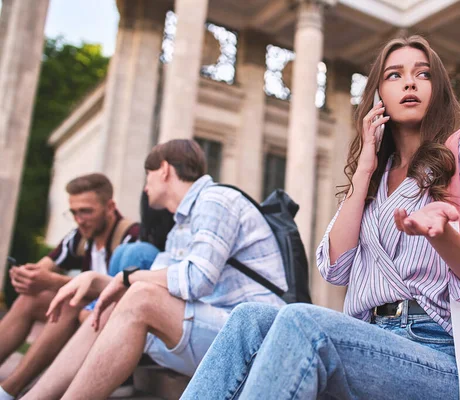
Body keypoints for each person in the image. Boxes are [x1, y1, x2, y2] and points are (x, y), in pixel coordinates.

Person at [179, 35, 460, 400]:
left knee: (302, 322)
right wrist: (365, 166)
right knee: (248, 320)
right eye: (395, 75)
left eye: (423, 74)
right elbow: (335, 268)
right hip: (371, 338)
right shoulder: (376, 178)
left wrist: (442, 237)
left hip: (439, 351)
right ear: (378, 95)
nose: (410, 82)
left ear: (439, 89)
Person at [22, 139, 287, 400]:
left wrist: (127, 278)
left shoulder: (216, 199)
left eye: (147, 176)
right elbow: (151, 281)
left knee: (140, 297)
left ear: (163, 169)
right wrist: (94, 281)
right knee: (118, 303)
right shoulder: (181, 224)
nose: (145, 187)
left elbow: (196, 281)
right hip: (222, 329)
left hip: (255, 338)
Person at [0, 174, 139, 400]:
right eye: (73, 212)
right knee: (32, 299)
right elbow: (44, 268)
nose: (79, 219)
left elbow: (123, 292)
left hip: (116, 333)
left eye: (86, 211)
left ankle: (9, 390)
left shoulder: (132, 238)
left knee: (70, 302)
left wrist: (54, 282)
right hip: (85, 322)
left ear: (110, 207)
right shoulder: (81, 236)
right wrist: (28, 276)